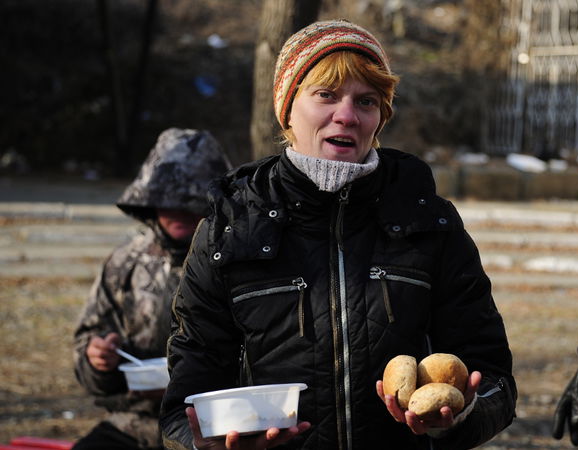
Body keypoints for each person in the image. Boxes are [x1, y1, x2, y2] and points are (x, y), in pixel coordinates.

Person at [160, 20, 516, 450]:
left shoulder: (430, 223)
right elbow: (186, 399)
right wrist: (206, 444)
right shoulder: (231, 227)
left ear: (380, 118)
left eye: (366, 101)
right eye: (326, 95)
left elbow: (492, 376)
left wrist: (455, 421)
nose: (346, 115)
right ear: (287, 109)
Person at [73, 128, 232, 450]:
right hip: (137, 426)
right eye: (166, 199)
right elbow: (87, 354)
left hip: (217, 426)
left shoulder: (240, 260)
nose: (178, 210)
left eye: (190, 201)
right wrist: (98, 361)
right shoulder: (126, 262)